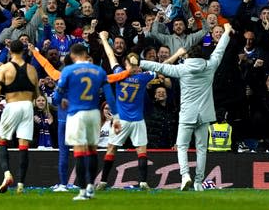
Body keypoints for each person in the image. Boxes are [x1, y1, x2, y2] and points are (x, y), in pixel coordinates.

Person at [139, 22, 232, 191]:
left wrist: (141, 63)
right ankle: (198, 182)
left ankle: (185, 176)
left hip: (187, 115)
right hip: (204, 115)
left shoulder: (182, 69)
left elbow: (161, 67)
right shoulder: (210, 66)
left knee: (182, 146)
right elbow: (220, 50)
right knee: (202, 149)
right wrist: (226, 32)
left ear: (188, 56)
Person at [52, 43, 121, 201]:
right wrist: (116, 118)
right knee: (92, 150)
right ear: (86, 53)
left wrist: (61, 100)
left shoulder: (68, 71)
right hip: (94, 114)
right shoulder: (99, 71)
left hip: (77, 114)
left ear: (73, 54)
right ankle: (90, 186)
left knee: (80, 151)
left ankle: (82, 192)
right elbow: (110, 97)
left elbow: (56, 97)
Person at [96, 31, 155, 190]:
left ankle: (103, 182)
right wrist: (175, 55)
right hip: (138, 120)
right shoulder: (144, 77)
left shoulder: (119, 74)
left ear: (126, 64)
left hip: (121, 119)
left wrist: (103, 38)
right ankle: (143, 182)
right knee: (141, 151)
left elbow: (110, 55)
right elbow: (162, 66)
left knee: (112, 148)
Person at [0, 40, 39, 194]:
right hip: (27, 106)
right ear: (24, 51)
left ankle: (7, 174)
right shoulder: (32, 69)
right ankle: (21, 185)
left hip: (12, 105)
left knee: (3, 140)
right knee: (23, 145)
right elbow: (37, 95)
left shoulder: (5, 68)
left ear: (10, 51)